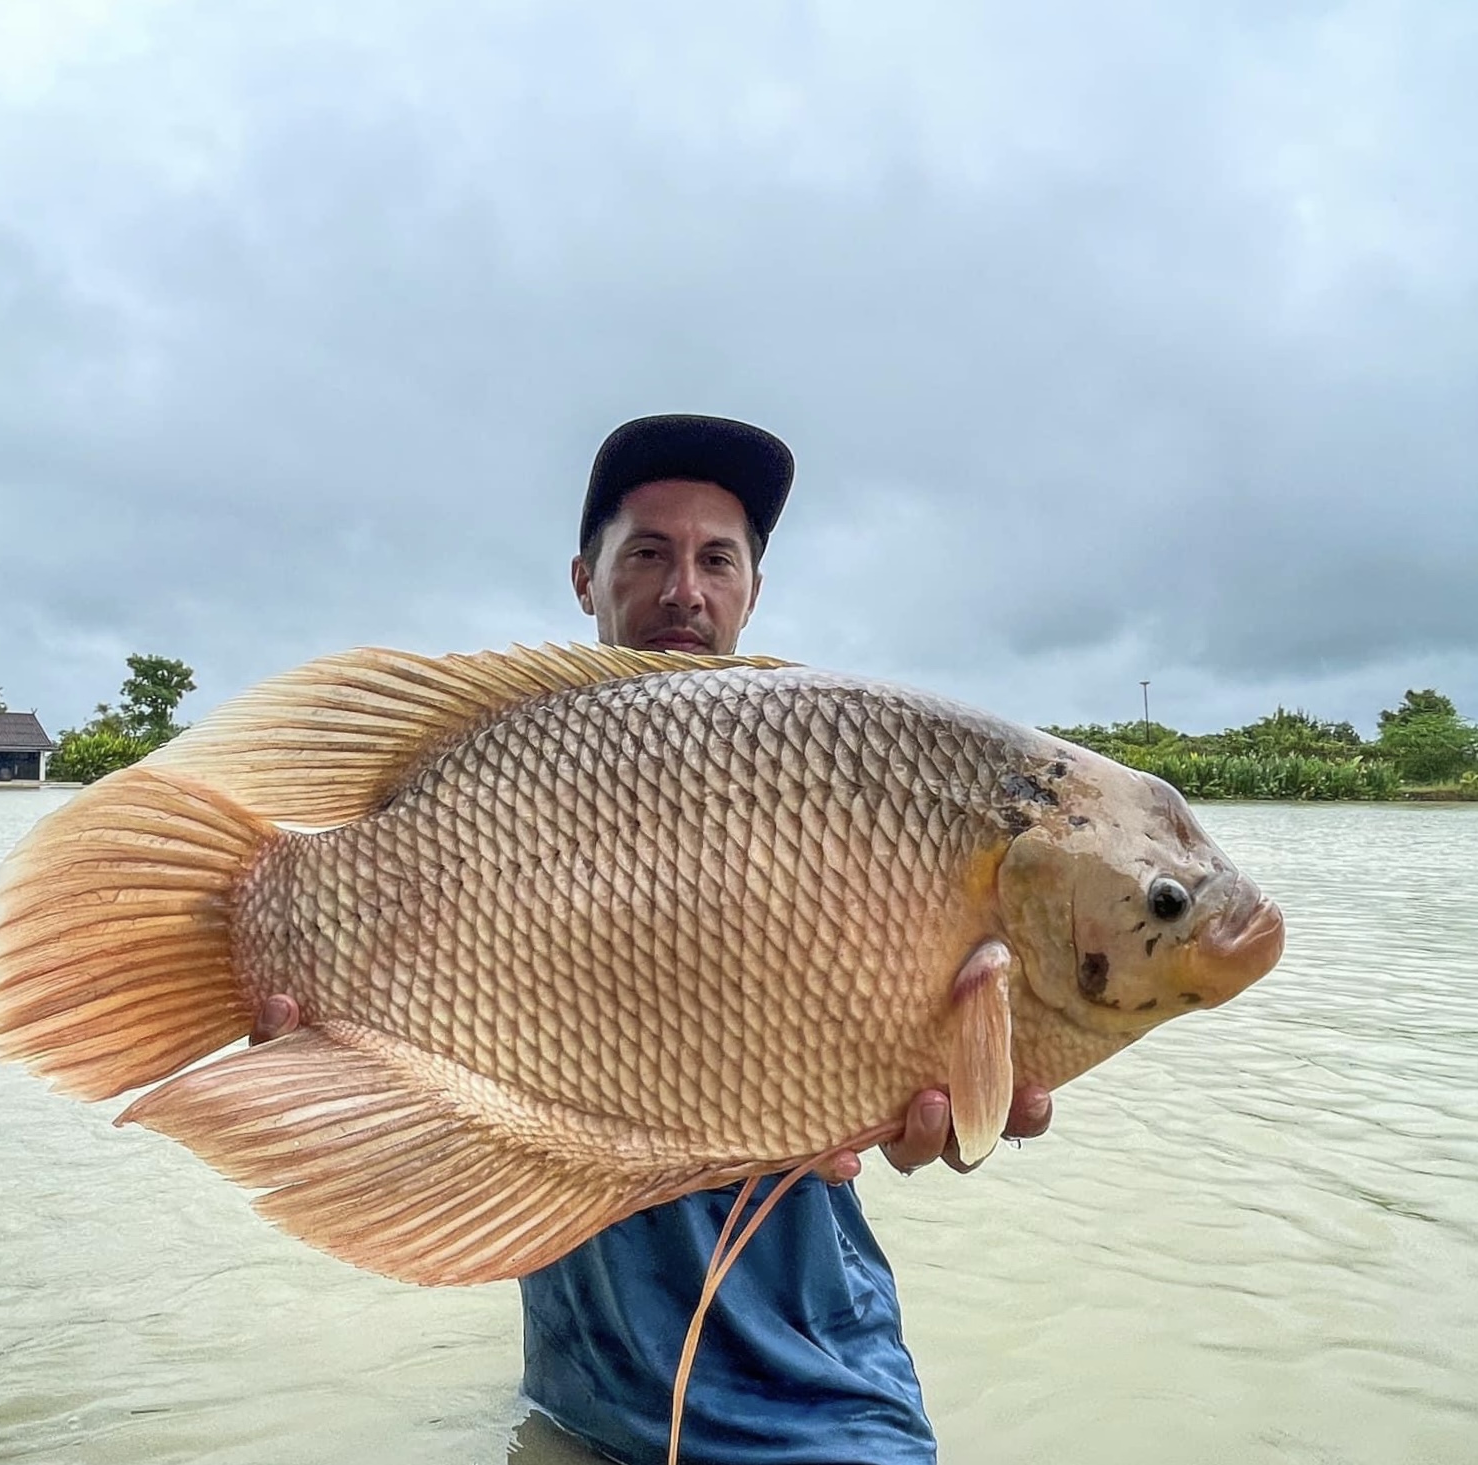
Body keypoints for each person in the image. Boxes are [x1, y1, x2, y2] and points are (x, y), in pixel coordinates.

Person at [250, 414, 1053, 1464]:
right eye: (647, 554)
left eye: (717, 558)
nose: (685, 589)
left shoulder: (843, 791)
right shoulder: (502, 781)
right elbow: (446, 1137)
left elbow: (944, 1063)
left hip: (822, 1407)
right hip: (575, 1402)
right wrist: (332, 1075)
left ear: (752, 590)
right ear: (584, 578)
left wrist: (962, 1089)